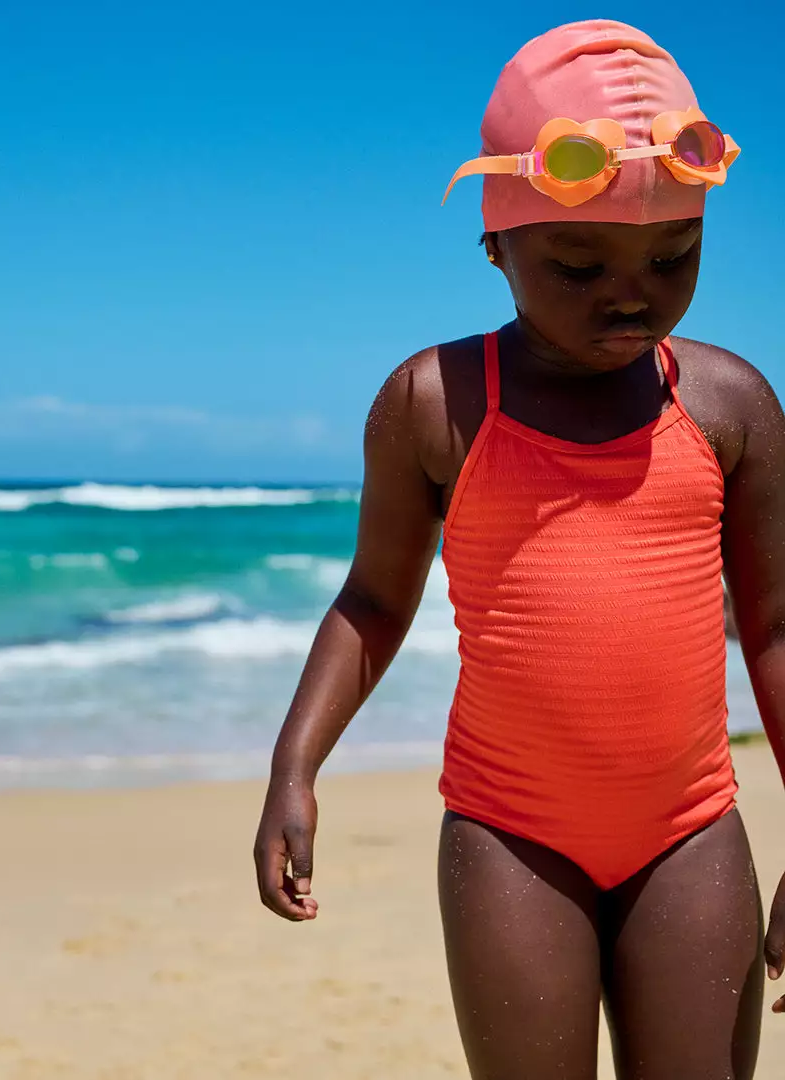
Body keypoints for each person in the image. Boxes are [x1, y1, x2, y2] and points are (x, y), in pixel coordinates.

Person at [253, 19, 785, 1079]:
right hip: (510, 834)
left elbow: (774, 624)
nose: (630, 292)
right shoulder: (437, 404)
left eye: (674, 257)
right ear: (497, 245)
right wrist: (293, 768)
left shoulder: (728, 405)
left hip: (689, 829)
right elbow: (373, 604)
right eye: (579, 264)